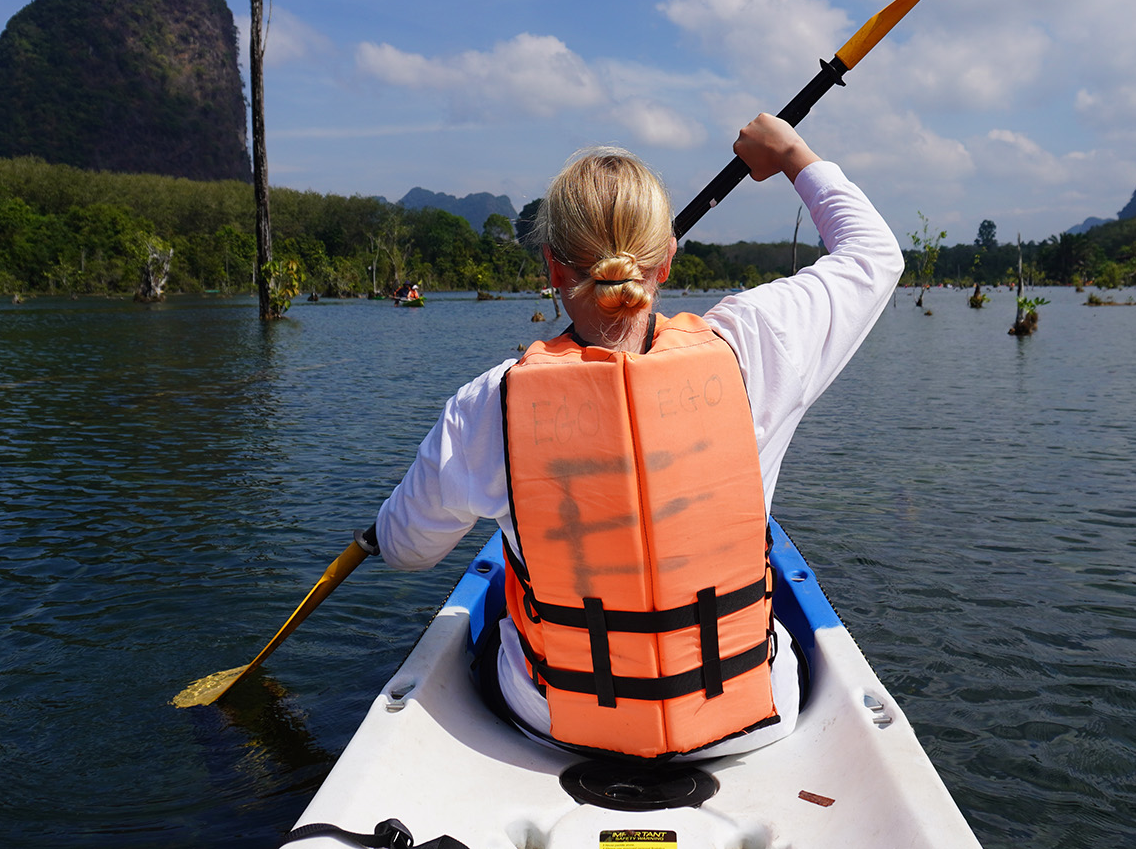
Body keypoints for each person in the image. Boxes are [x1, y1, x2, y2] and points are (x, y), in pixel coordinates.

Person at [373, 113, 902, 761]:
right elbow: (876, 254)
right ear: (667, 259)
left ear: (552, 266)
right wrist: (790, 153)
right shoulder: (756, 347)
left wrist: (381, 531)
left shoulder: (489, 406)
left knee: (499, 611)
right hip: (754, 719)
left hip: (555, 724)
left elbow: (407, 550)